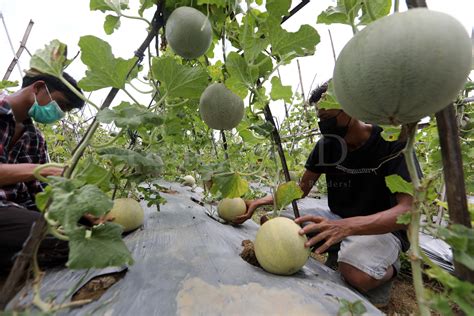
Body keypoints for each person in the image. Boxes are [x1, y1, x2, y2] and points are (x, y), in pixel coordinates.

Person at [234, 83, 422, 307]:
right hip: (338, 217)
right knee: (279, 220)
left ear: (351, 109)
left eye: (328, 116)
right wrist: (260, 202)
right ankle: (340, 247)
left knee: (356, 274)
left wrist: (347, 227)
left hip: (383, 228)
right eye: (320, 118)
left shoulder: (391, 143)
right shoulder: (326, 147)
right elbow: (301, 188)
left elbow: (407, 211)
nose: (323, 124)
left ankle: (388, 269)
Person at [0, 70, 85, 273]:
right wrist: (41, 170)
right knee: (51, 237)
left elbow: (38, 193)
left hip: (12, 213)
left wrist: (77, 212)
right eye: (61, 105)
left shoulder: (34, 137)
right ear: (38, 88)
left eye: (66, 110)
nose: (61, 113)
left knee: (77, 234)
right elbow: (39, 174)